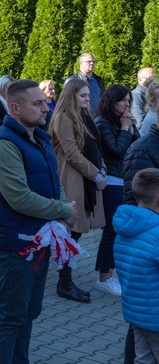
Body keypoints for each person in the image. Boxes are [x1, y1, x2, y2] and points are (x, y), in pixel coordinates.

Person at [0, 79, 78, 363]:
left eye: (44, 102)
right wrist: (61, 210)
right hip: (15, 244)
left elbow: (54, 181)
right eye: (37, 103)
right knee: (11, 317)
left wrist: (62, 211)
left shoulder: (39, 137)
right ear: (14, 107)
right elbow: (19, 198)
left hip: (39, 239)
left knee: (28, 313)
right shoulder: (3, 143)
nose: (45, 108)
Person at [50, 78, 106, 303]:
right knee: (69, 229)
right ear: (71, 96)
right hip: (73, 179)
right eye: (83, 95)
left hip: (84, 179)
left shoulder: (84, 115)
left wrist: (99, 167)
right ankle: (64, 283)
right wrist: (96, 174)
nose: (87, 98)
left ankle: (66, 280)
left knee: (75, 231)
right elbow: (72, 153)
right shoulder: (63, 117)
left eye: (88, 95)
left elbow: (94, 146)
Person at [94, 85, 139, 297]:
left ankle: (112, 273)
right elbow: (116, 151)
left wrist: (130, 126)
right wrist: (124, 128)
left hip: (125, 179)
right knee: (111, 230)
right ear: (111, 101)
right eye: (123, 101)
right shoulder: (102, 122)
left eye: (129, 101)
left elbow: (137, 145)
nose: (127, 104)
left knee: (120, 229)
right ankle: (104, 278)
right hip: (111, 180)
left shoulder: (124, 121)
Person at [114, 169, 159, 364]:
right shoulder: (156, 233)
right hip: (156, 316)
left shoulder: (125, 229)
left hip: (137, 313)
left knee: (143, 359)